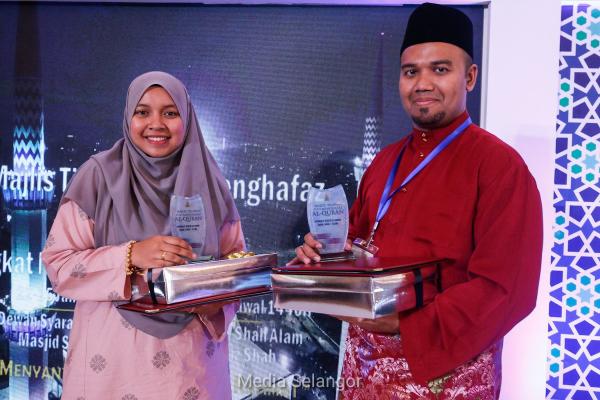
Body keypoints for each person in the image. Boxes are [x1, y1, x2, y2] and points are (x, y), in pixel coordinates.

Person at [292, 3, 543, 399]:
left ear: (470, 77)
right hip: (363, 373)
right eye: (411, 72)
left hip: (445, 377)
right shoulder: (384, 162)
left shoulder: (500, 168)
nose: (422, 83)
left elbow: (506, 288)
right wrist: (325, 252)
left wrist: (403, 324)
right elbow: (357, 244)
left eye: (439, 69)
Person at [41, 71, 244, 400]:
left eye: (170, 113)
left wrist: (215, 303)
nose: (156, 124)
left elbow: (235, 267)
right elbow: (59, 265)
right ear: (128, 117)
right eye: (143, 112)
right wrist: (131, 255)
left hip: (191, 371)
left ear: (187, 118)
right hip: (111, 369)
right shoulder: (99, 176)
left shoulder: (211, 183)